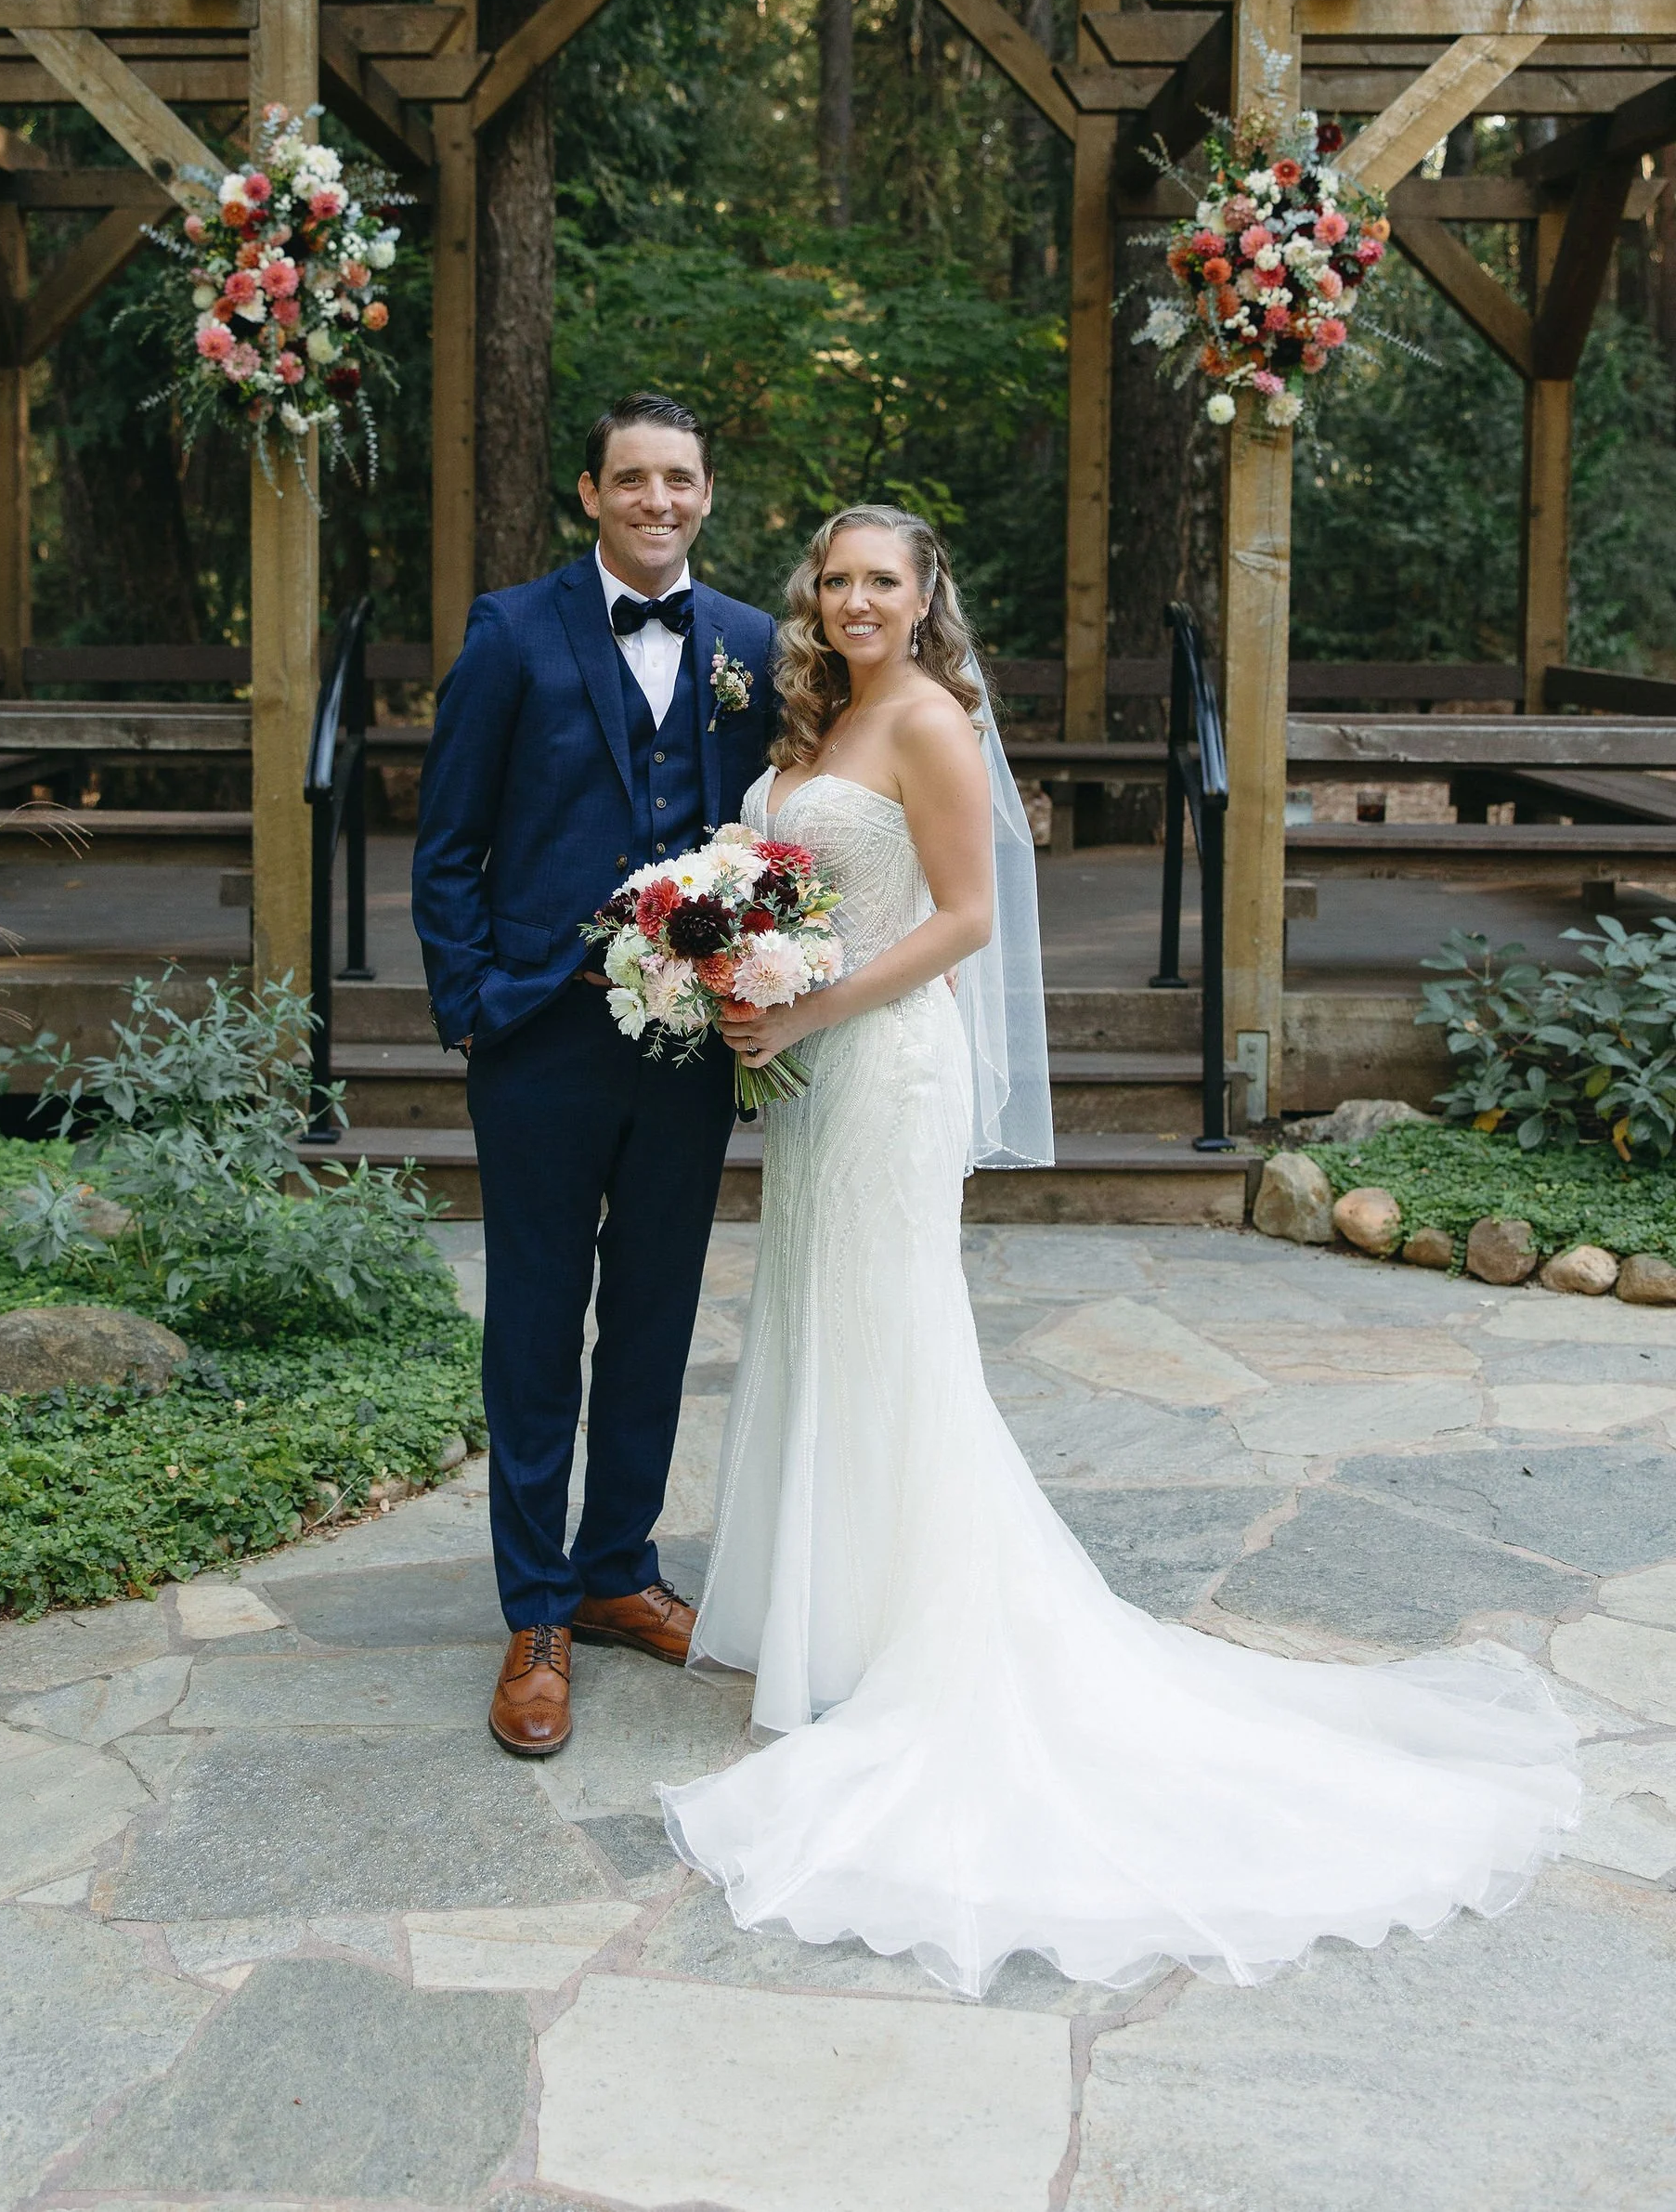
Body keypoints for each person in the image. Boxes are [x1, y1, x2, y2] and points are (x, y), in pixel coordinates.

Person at [660, 502, 1580, 1997]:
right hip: (821, 1079)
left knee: (897, 1334)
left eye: (880, 579)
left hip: (886, 1066)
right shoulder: (823, 719)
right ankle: (830, 1621)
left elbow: (964, 918)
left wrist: (812, 1006)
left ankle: (924, 1636)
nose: (853, 600)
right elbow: (798, 891)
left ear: (924, 592)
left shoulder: (934, 727)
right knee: (823, 1324)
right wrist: (744, 974)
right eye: (834, 579)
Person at [413, 392, 778, 1759]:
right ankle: (538, 1610)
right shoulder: (512, 631)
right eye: (631, 480)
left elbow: (771, 830)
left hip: (686, 1049)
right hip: (541, 1039)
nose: (656, 501)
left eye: (678, 479)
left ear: (706, 491)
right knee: (536, 1324)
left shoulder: (749, 641)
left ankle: (622, 1569)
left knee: (658, 1314)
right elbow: (448, 840)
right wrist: (474, 1011)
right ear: (589, 494)